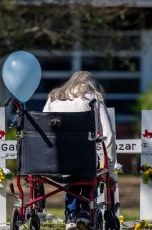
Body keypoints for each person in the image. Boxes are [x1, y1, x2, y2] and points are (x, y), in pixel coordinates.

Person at [43, 71, 117, 230]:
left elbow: (44, 127)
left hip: (56, 159)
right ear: (91, 84)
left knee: (74, 171)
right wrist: (110, 169)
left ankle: (71, 215)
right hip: (84, 159)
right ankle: (84, 211)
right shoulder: (94, 99)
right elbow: (108, 135)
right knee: (89, 169)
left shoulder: (53, 98)